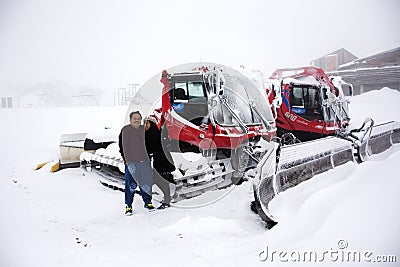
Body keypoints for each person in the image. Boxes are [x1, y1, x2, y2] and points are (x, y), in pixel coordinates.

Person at [119, 111, 154, 215]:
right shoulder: (126, 130)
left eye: (139, 118)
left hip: (144, 162)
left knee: (146, 183)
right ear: (130, 120)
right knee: (131, 185)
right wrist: (128, 162)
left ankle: (148, 202)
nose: (137, 120)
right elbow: (123, 147)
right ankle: (128, 206)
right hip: (131, 162)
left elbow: (153, 137)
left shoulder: (144, 129)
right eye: (134, 118)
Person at [144, 115, 176, 209]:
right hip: (159, 160)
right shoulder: (150, 132)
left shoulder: (153, 133)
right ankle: (171, 194)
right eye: (144, 123)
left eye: (147, 123)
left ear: (152, 123)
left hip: (162, 161)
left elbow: (151, 148)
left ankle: (167, 200)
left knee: (161, 180)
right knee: (162, 178)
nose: (145, 125)